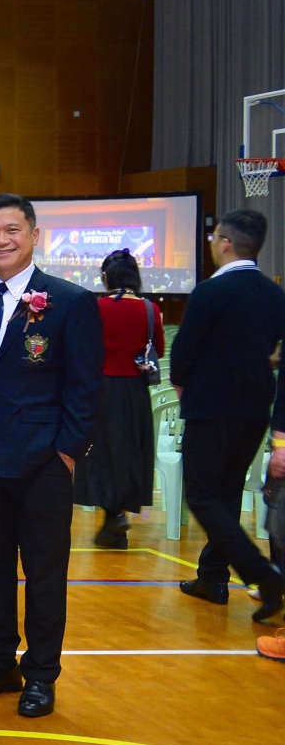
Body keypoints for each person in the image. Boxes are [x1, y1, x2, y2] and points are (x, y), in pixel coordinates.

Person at [0, 194, 103, 719]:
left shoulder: (69, 300)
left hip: (43, 463)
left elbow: (86, 388)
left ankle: (41, 673)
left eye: (12, 230)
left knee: (43, 575)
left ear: (34, 235)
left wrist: (67, 453)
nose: (1, 240)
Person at [169, 209, 285, 621]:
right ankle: (213, 576)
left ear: (225, 243)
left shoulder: (210, 291)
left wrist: (181, 383)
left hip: (212, 406)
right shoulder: (275, 294)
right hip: (256, 407)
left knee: (202, 496)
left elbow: (184, 350)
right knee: (228, 492)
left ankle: (263, 574)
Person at [78, 250, 165, 549]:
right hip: (135, 391)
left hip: (100, 389)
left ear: (106, 277)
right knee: (129, 452)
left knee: (102, 454)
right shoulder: (150, 309)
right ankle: (116, 520)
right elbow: (158, 350)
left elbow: (83, 347)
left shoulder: (95, 307)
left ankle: (113, 517)